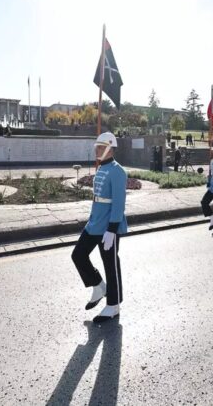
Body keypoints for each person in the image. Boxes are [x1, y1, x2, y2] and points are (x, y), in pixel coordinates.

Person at [70, 132, 127, 322]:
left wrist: (112, 230)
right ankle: (98, 286)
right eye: (97, 147)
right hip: (95, 222)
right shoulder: (102, 168)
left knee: (110, 264)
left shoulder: (117, 171)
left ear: (110, 148)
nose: (98, 150)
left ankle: (113, 305)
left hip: (108, 226)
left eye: (101, 147)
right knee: (78, 255)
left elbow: (118, 204)